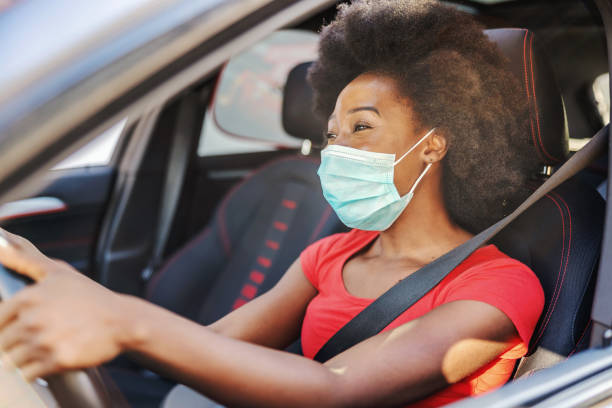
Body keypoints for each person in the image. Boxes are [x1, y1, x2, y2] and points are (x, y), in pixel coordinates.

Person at [0, 1, 545, 407]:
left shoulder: (498, 285)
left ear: (434, 142)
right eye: (332, 134)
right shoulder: (332, 254)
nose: (336, 150)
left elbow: (337, 391)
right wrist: (53, 275)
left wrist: (120, 320)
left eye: (362, 127)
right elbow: (208, 345)